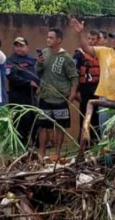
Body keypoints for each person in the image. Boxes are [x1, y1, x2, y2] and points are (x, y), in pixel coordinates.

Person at [71, 20, 115, 131]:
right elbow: (86, 48)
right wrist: (80, 33)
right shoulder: (104, 52)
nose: (113, 41)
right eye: (113, 38)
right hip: (105, 100)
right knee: (104, 131)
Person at [35, 28, 78, 160]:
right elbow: (38, 72)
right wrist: (39, 63)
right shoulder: (44, 53)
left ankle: (57, 153)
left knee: (60, 127)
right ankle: (42, 153)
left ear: (59, 40)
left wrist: (72, 94)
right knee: (43, 127)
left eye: (51, 37)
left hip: (60, 97)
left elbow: (74, 77)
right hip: (45, 96)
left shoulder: (66, 58)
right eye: (47, 37)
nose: (48, 39)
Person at [6, 37, 39, 146]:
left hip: (31, 95)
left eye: (21, 46)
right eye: (17, 46)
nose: (19, 48)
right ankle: (21, 144)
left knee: (34, 118)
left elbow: (38, 73)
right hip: (17, 96)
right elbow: (11, 76)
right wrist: (27, 82)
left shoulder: (33, 59)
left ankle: (36, 144)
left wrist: (37, 83)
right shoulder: (11, 60)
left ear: (27, 47)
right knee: (20, 120)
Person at [73, 30, 101, 142]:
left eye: (93, 39)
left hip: (98, 91)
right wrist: (76, 92)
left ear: (98, 40)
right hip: (85, 92)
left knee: (96, 119)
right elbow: (74, 73)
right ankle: (83, 144)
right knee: (84, 118)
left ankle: (95, 142)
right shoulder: (79, 54)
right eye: (89, 38)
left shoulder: (101, 53)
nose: (91, 41)